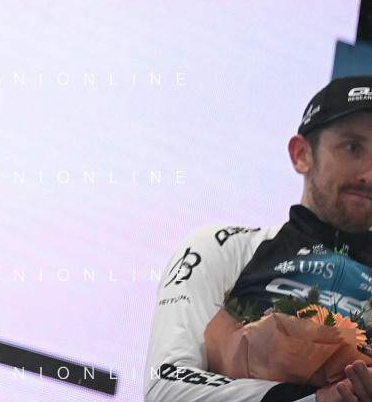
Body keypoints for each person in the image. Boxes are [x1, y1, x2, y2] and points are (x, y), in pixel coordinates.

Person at [146, 75, 372, 402]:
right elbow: (166, 386)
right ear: (301, 154)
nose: (369, 174)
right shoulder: (221, 248)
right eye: (352, 147)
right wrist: (313, 400)